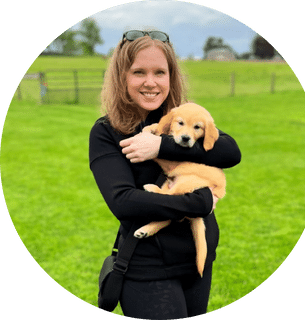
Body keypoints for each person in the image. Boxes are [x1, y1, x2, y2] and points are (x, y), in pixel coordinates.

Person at [89, 30, 241, 319]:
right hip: (148, 267)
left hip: (197, 259)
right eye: (138, 72)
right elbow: (124, 201)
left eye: (160, 72)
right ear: (122, 76)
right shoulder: (107, 131)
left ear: (171, 77)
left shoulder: (183, 117)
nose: (150, 82)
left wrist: (160, 144)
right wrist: (198, 204)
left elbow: (230, 152)